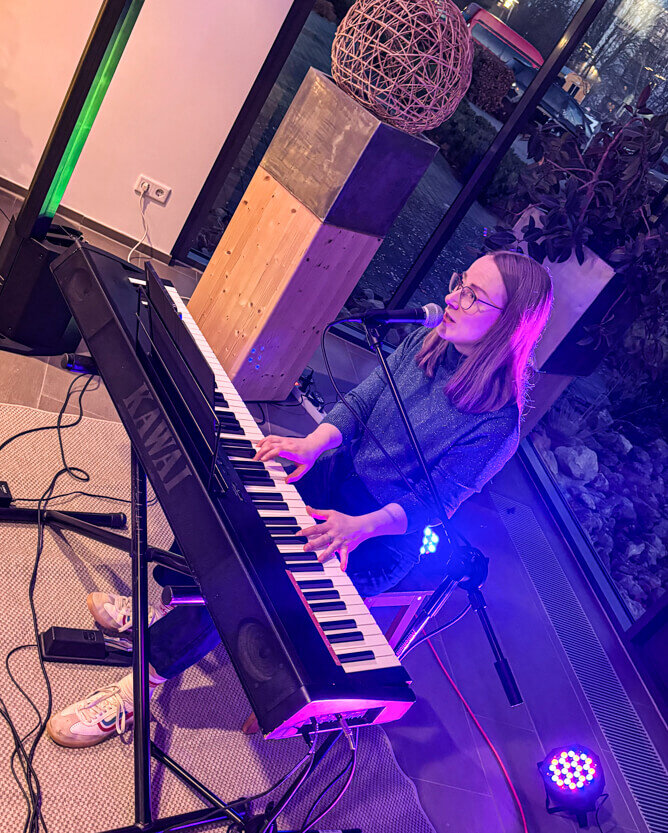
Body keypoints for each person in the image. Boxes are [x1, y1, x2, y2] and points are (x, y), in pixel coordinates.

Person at [46, 251, 553, 748]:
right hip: (334, 477)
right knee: (224, 503)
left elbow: (436, 503)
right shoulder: (429, 341)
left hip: (376, 536)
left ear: (508, 325)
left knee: (251, 575)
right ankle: (167, 608)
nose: (453, 297)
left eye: (473, 296)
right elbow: (362, 401)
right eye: (460, 282)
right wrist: (312, 443)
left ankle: (137, 685)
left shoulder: (498, 422)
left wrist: (360, 526)